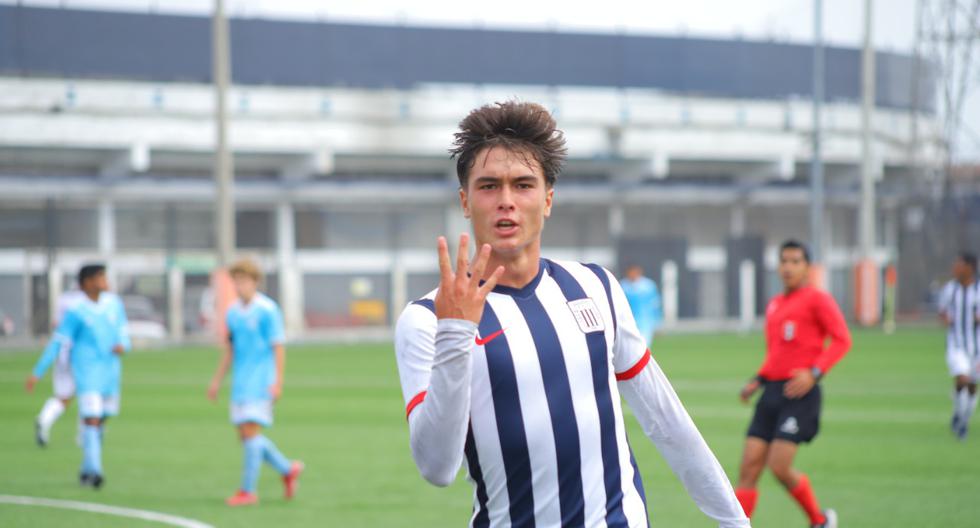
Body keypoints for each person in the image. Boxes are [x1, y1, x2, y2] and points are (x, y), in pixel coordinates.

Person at [394, 101, 749, 527]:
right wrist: (455, 331)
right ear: (465, 201)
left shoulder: (595, 286)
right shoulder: (426, 319)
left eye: (522, 185)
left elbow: (666, 420)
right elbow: (437, 467)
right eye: (489, 186)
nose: (506, 201)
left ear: (547, 200)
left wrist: (735, 520)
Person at [734, 240, 851, 528]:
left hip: (800, 394)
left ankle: (820, 520)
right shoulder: (775, 304)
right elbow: (775, 353)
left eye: (795, 261)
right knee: (748, 468)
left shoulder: (817, 299)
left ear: (807, 268)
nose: (788, 267)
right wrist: (758, 379)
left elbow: (842, 340)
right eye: (784, 261)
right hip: (771, 392)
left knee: (779, 467)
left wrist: (814, 372)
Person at [207, 259, 303, 507]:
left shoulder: (268, 310)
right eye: (236, 280)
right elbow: (230, 349)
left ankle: (247, 492)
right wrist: (217, 381)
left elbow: (278, 346)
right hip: (240, 382)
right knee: (246, 438)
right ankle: (288, 469)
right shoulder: (232, 312)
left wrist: (278, 381)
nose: (240, 285)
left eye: (244, 280)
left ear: (255, 282)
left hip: (261, 381)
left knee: (250, 435)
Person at [26, 264, 129, 488]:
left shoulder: (114, 304)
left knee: (100, 421)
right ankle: (95, 472)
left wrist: (124, 345)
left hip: (110, 373)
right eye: (100, 276)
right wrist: (38, 372)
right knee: (91, 420)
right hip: (87, 373)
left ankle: (85, 469)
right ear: (87, 283)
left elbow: (123, 332)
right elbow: (57, 342)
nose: (105, 280)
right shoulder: (76, 312)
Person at [33, 287, 85, 446]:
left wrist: (37, 372)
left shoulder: (63, 299)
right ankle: (84, 436)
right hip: (82, 354)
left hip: (63, 352)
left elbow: (56, 324)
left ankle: (44, 418)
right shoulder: (87, 302)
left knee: (63, 397)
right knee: (88, 394)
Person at [938, 252, 980, 440]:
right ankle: (961, 425)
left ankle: (961, 416)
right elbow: (943, 312)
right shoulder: (950, 289)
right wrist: (946, 318)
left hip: (977, 347)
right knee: (962, 379)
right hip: (956, 345)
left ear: (970, 268)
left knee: (971, 386)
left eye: (959, 264)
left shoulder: (978, 290)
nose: (955, 267)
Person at [620, 264, 663, 345]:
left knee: (644, 346)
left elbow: (655, 304)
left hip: (645, 322)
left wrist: (657, 323)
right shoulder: (623, 286)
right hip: (628, 321)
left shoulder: (648, 286)